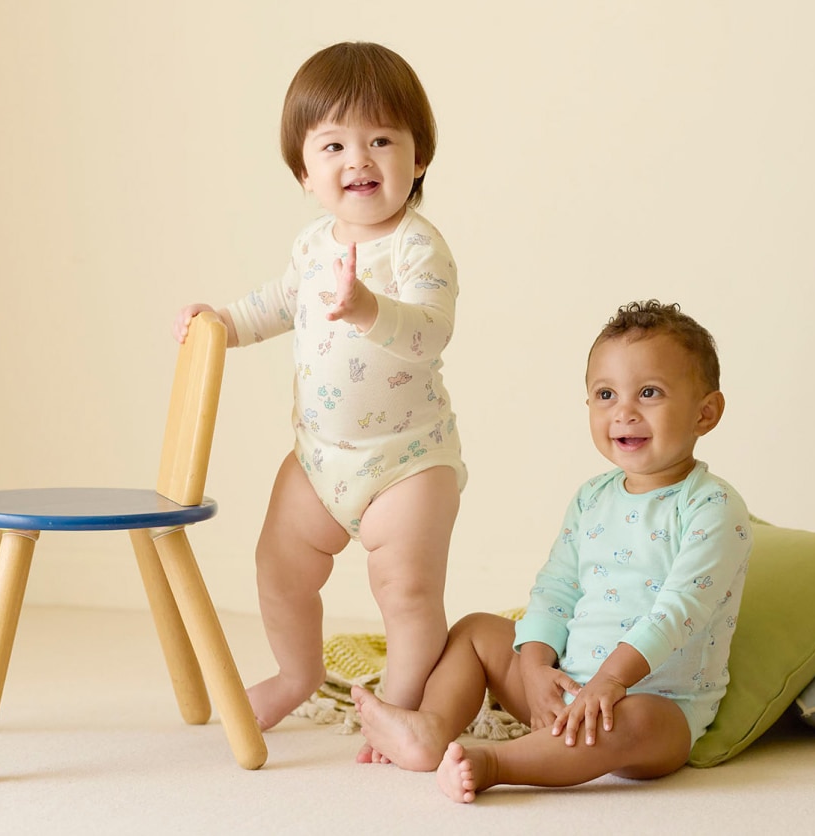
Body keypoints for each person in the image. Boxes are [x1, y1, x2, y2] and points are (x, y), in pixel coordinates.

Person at [173, 42, 464, 745]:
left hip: (407, 461)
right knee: (278, 568)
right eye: (333, 145)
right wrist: (221, 322)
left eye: (381, 140)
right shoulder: (311, 249)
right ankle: (295, 673)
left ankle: (394, 706)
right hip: (319, 457)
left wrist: (369, 307)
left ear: (418, 157)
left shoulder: (417, 249)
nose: (358, 159)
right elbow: (274, 305)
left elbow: (431, 334)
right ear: (306, 173)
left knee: (407, 592)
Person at [351, 300, 751, 802]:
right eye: (606, 394)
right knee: (476, 630)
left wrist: (609, 683)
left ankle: (496, 762)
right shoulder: (592, 497)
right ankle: (430, 728)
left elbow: (679, 613)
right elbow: (556, 589)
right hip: (564, 688)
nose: (624, 411)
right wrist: (536, 667)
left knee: (634, 723)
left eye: (649, 393)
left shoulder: (712, 506)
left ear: (705, 412)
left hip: (656, 700)